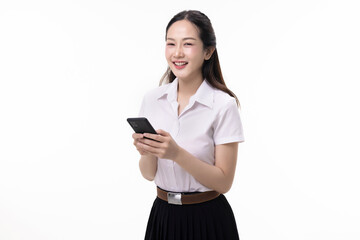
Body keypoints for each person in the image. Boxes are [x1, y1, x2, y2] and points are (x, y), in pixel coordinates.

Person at [132, 10, 244, 240]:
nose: (177, 53)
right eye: (171, 44)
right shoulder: (152, 100)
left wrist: (176, 154)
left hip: (208, 219)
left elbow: (224, 182)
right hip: (163, 215)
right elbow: (148, 173)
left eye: (188, 44)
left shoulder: (223, 105)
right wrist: (146, 152)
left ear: (208, 51)